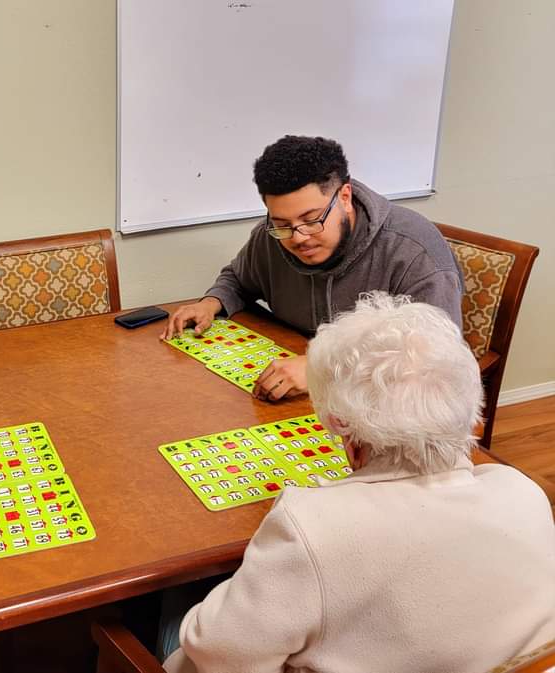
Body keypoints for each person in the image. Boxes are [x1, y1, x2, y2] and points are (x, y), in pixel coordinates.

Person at [163, 293, 555, 673]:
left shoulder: (312, 526)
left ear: (352, 441)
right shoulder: (523, 492)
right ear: (473, 418)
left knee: (171, 605)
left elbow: (222, 659)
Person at [161, 135, 464, 402]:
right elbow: (238, 280)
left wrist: (322, 369)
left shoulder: (414, 251)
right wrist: (211, 303)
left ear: (344, 197)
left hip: (386, 406)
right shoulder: (272, 238)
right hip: (299, 403)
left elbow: (434, 361)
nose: (298, 237)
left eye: (311, 219)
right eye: (282, 224)